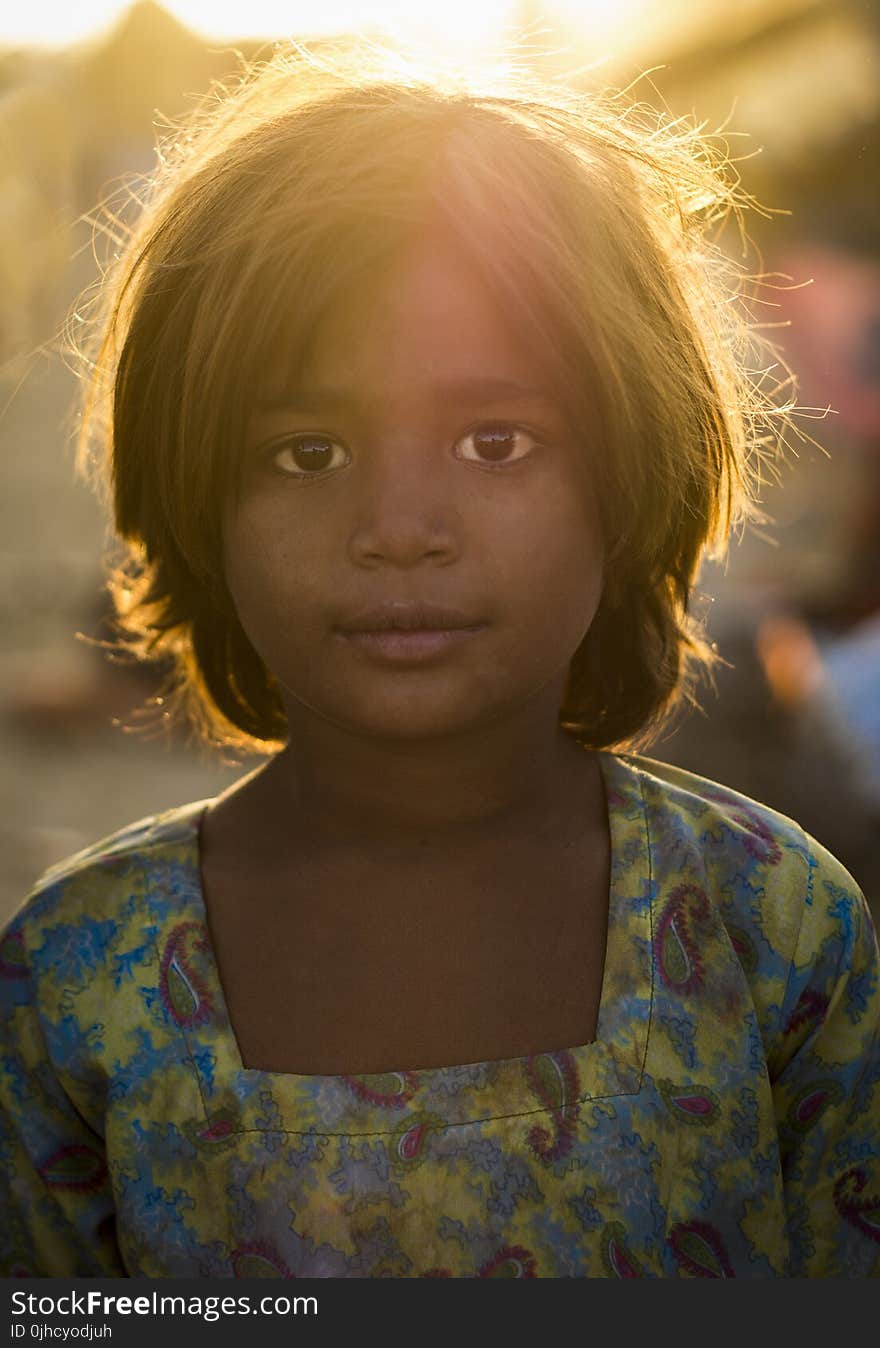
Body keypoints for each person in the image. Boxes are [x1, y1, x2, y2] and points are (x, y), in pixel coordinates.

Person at [1, 43, 877, 1280]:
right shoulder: (74, 978)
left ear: (629, 475)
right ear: (194, 495)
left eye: (494, 440)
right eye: (306, 452)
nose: (398, 526)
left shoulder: (772, 923)